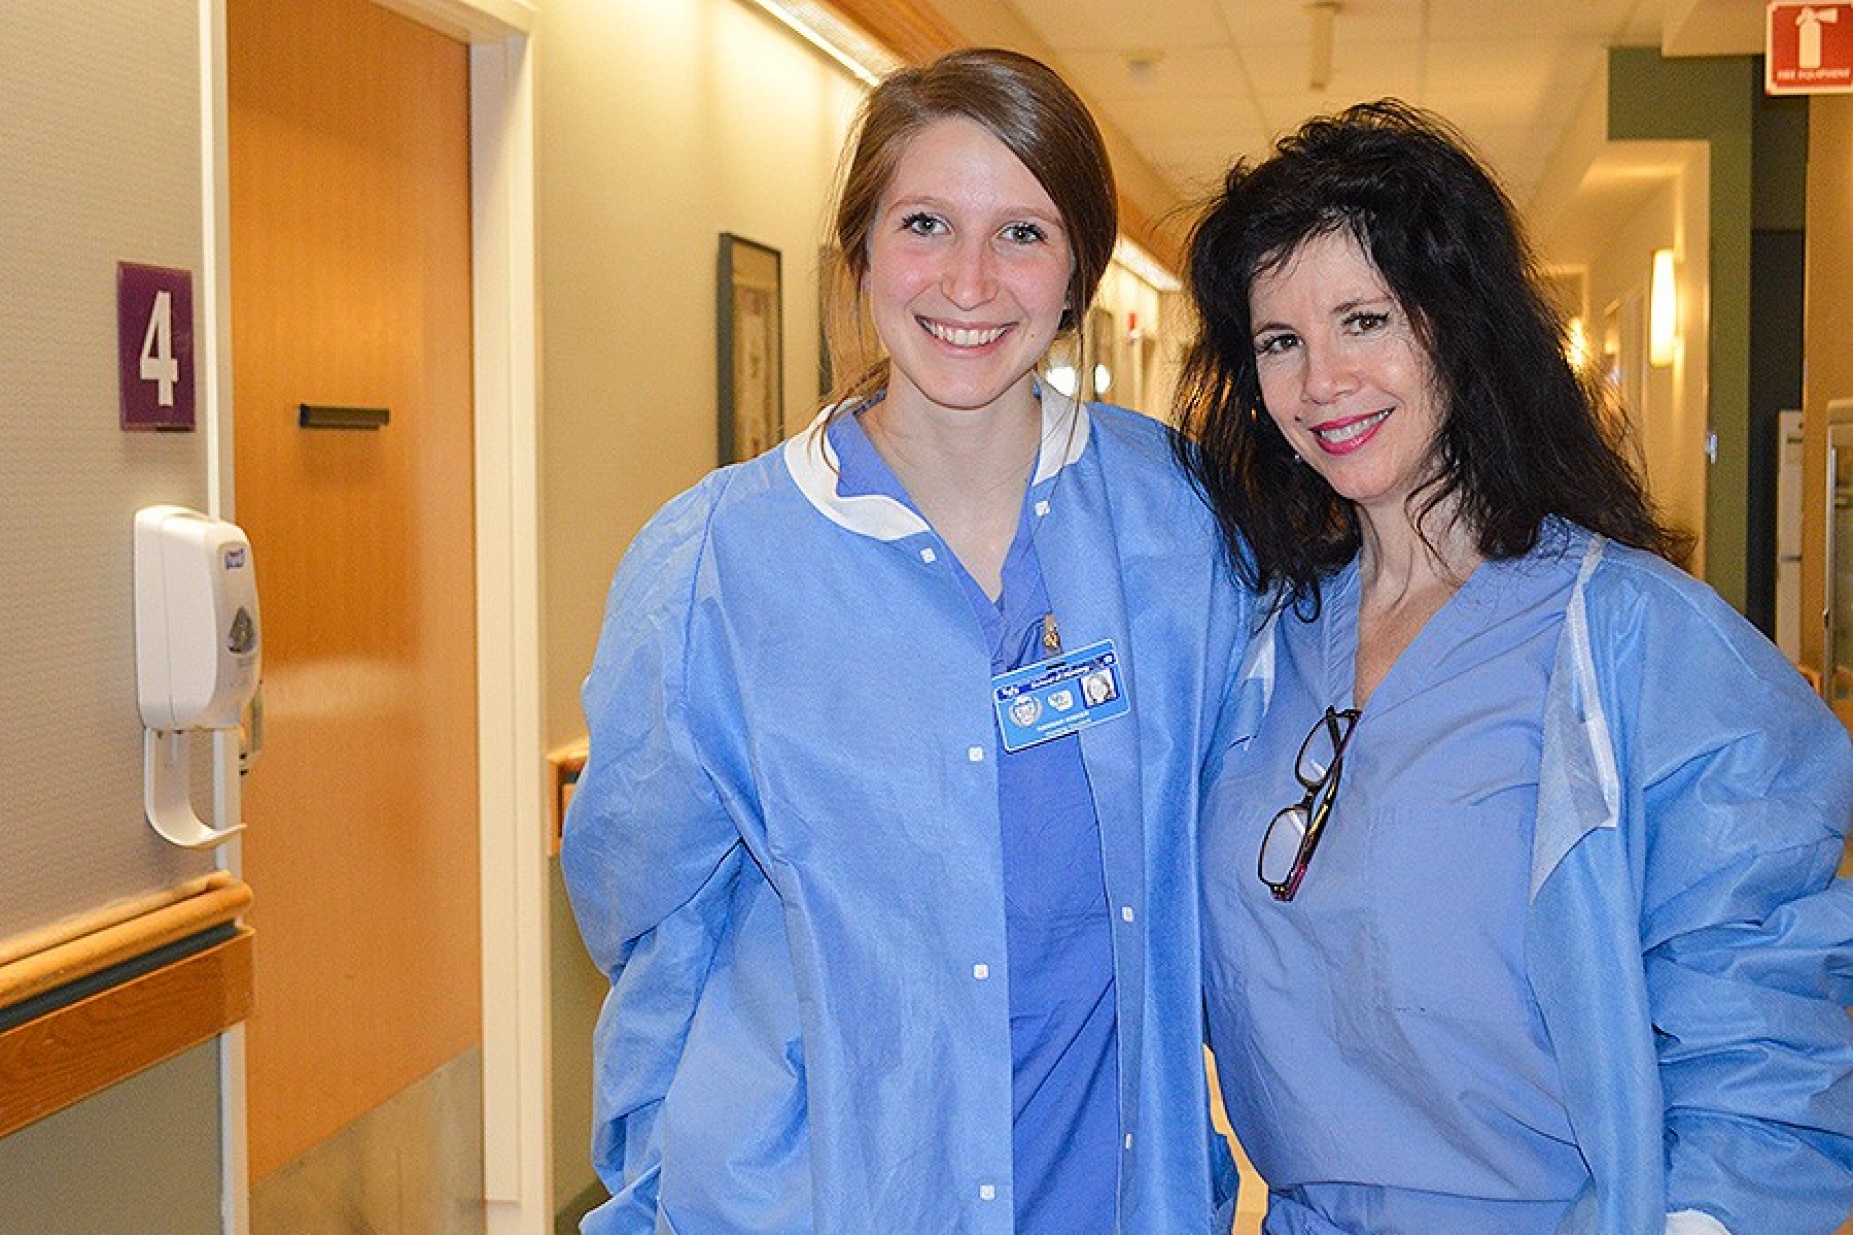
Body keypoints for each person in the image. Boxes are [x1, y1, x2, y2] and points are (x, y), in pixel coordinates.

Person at [562, 48, 1245, 1235]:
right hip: (810, 1195)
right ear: (862, 254)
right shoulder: (717, 564)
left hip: (1111, 1191)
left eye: (1022, 233)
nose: (970, 281)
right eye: (925, 222)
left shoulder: (1174, 523)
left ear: (1077, 263)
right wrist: (650, 1189)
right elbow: (644, 918)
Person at [1174, 100, 1853, 1235]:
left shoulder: (1630, 639)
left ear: (1457, 323)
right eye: (1279, 341)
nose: (1321, 380)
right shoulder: (1258, 641)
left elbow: (1767, 1028)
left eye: (1362, 318)